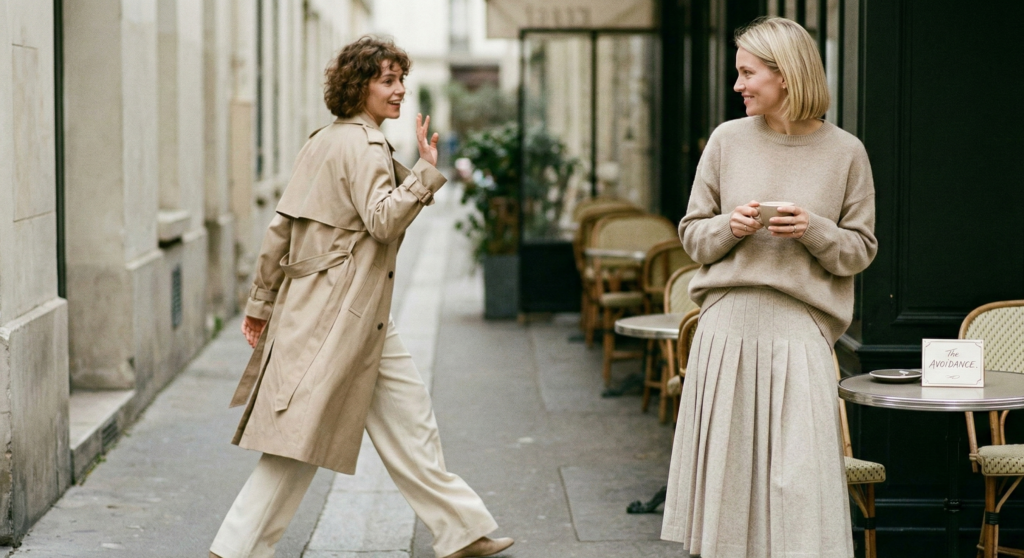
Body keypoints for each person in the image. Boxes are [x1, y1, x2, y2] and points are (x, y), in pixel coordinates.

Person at [209, 36, 514, 558]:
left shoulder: (322, 140)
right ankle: (234, 550)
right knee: (300, 440)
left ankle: (461, 529)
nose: (399, 92)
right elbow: (381, 220)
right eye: (387, 81)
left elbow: (279, 228)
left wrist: (261, 303)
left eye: (401, 81)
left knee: (408, 417)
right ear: (360, 86)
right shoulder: (367, 145)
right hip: (342, 312)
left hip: (347, 311)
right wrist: (424, 172)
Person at [661, 16, 877, 558]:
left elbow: (860, 250)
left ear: (786, 75)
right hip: (726, 327)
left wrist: (814, 231)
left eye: (747, 72)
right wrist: (728, 227)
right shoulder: (726, 140)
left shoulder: (846, 151)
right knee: (728, 481)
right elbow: (691, 234)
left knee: (801, 482)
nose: (737, 85)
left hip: (801, 329)